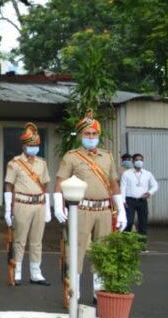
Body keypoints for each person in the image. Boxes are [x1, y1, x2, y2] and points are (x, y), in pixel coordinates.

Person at [53, 110, 125, 296]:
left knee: (103, 250)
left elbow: (113, 183)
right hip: (81, 208)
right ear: (81, 135)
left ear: (98, 135)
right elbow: (60, 181)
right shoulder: (72, 156)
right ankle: (73, 291)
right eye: (87, 134)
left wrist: (121, 209)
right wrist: (58, 203)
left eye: (94, 134)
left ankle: (98, 292)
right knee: (77, 249)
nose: (91, 137)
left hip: (104, 210)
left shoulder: (107, 156)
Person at [3, 123, 52, 285]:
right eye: (30, 145)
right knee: (20, 240)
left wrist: (48, 207)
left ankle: (35, 272)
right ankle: (17, 271)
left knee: (37, 240)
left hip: (39, 203)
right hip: (22, 203)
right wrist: (8, 208)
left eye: (36, 145)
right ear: (24, 145)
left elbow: (45, 185)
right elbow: (9, 185)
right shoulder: (15, 163)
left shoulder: (42, 163)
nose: (33, 148)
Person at [121, 153, 158, 246]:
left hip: (142, 201)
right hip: (130, 200)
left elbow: (155, 185)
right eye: (137, 160)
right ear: (133, 162)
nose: (139, 162)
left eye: (141, 160)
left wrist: (149, 193)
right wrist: (123, 201)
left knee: (143, 224)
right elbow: (123, 187)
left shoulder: (147, 174)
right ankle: (126, 243)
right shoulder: (127, 173)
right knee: (128, 222)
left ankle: (142, 245)